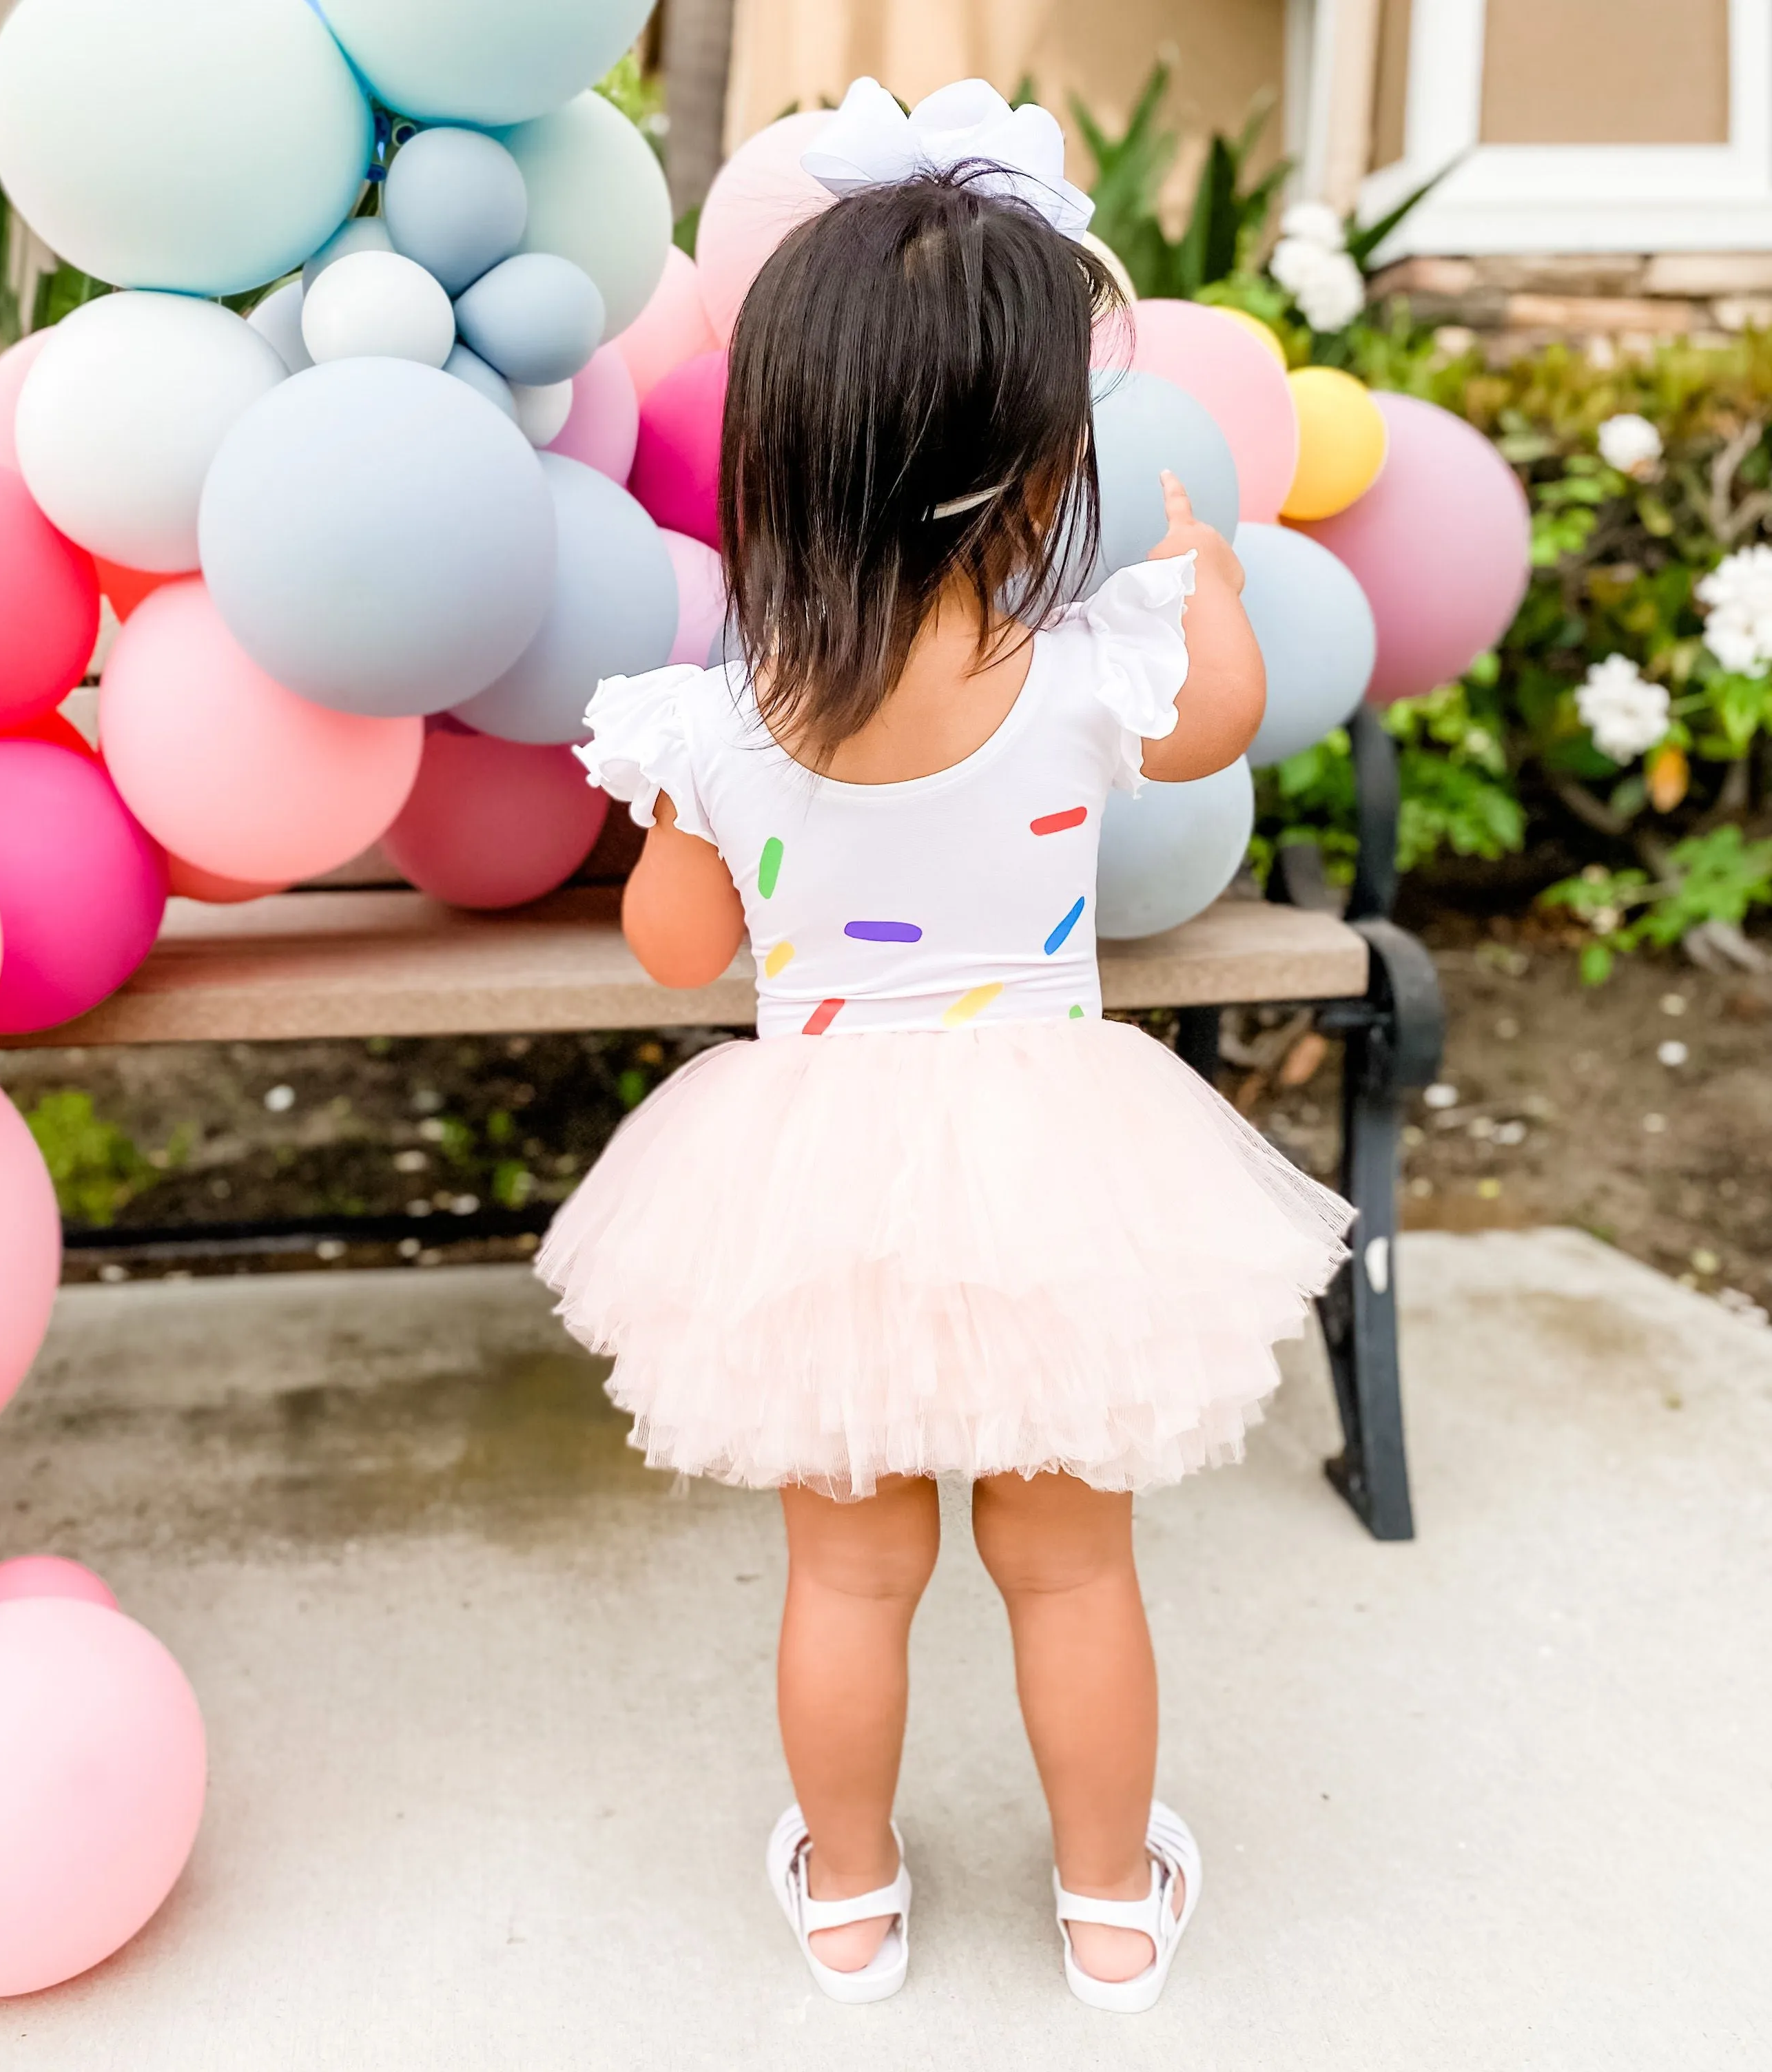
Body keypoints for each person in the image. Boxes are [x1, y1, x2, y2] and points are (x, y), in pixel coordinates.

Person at [535, 98, 1350, 2013]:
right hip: (1058, 1156)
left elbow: (676, 954)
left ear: (786, 447)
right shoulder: (1090, 661)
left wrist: (681, 826)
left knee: (850, 1575)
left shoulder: (724, 717)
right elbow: (1211, 731)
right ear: (1041, 451)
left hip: (814, 1170)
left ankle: (845, 1895)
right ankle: (1110, 1909)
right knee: (1072, 1568)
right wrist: (1213, 590)